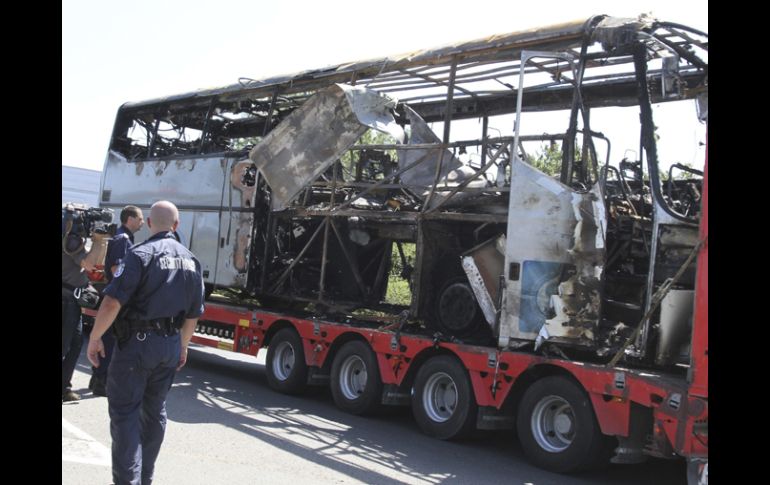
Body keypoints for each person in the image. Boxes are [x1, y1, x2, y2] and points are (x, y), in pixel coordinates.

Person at [87, 200, 204, 485]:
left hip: (137, 346)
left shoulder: (140, 254)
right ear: (176, 226)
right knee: (154, 413)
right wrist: (183, 346)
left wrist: (95, 337)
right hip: (168, 345)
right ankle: (145, 478)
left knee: (126, 414)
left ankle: (129, 481)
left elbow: (112, 302)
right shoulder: (192, 260)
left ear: (150, 223)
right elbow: (193, 314)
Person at [89, 205, 144, 397]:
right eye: (140, 218)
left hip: (116, 293)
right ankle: (101, 381)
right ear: (130, 219)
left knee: (109, 337)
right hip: (117, 295)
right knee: (111, 339)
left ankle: (97, 378)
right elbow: (116, 269)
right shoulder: (123, 239)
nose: (143, 222)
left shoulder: (123, 237)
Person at [62, 221, 95, 402]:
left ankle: (64, 387)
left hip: (71, 301)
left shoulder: (73, 240)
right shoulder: (71, 240)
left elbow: (95, 261)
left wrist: (102, 242)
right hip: (66, 300)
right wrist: (99, 241)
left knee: (75, 345)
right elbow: (90, 264)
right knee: (66, 345)